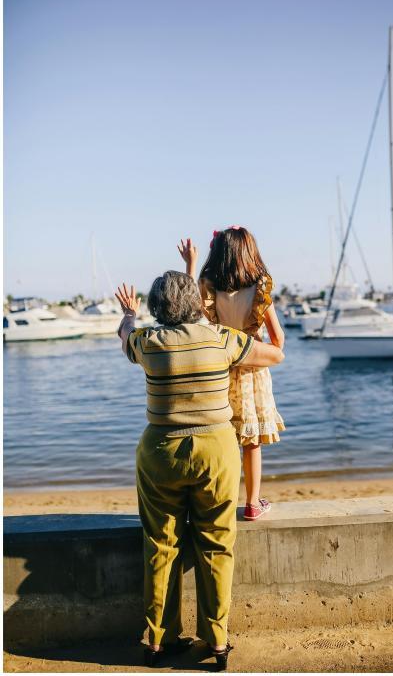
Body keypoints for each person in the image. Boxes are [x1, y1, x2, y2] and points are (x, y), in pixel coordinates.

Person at [115, 272, 284, 670]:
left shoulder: (147, 342)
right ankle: (217, 641)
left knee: (161, 546)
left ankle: (158, 642)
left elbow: (124, 335)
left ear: (157, 307)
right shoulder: (221, 340)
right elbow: (275, 354)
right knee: (217, 543)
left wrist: (127, 314)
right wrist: (264, 310)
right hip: (216, 453)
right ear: (195, 302)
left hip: (161, 452)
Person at [178, 228, 285, 521]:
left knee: (219, 438)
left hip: (220, 369)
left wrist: (190, 264)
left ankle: (216, 501)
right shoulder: (260, 291)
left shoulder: (209, 287)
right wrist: (257, 344)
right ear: (250, 252)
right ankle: (252, 503)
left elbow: (187, 309)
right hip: (252, 371)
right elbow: (278, 341)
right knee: (251, 442)